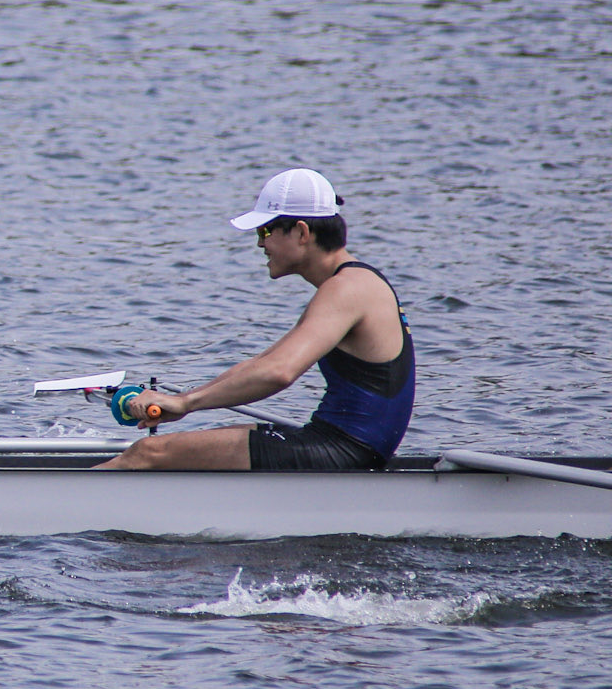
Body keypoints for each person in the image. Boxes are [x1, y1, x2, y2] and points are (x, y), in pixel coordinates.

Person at [98, 168, 414, 471]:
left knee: (147, 452)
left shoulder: (347, 289)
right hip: (345, 444)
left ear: (302, 232)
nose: (260, 243)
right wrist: (179, 400)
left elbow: (279, 372)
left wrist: (187, 403)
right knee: (169, 449)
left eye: (265, 231)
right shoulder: (351, 283)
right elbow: (262, 363)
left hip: (343, 449)